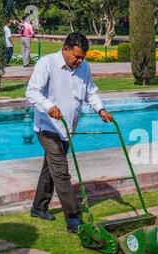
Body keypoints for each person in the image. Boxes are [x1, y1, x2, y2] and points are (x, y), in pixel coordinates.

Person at [26, 32, 113, 233]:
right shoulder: (46, 63)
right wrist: (49, 106)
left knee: (51, 169)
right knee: (61, 172)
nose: (79, 61)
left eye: (82, 57)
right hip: (47, 128)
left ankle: (38, 207)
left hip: (67, 128)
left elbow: (91, 91)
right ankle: (73, 218)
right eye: (76, 57)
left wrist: (100, 109)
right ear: (65, 49)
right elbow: (32, 91)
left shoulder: (83, 67)